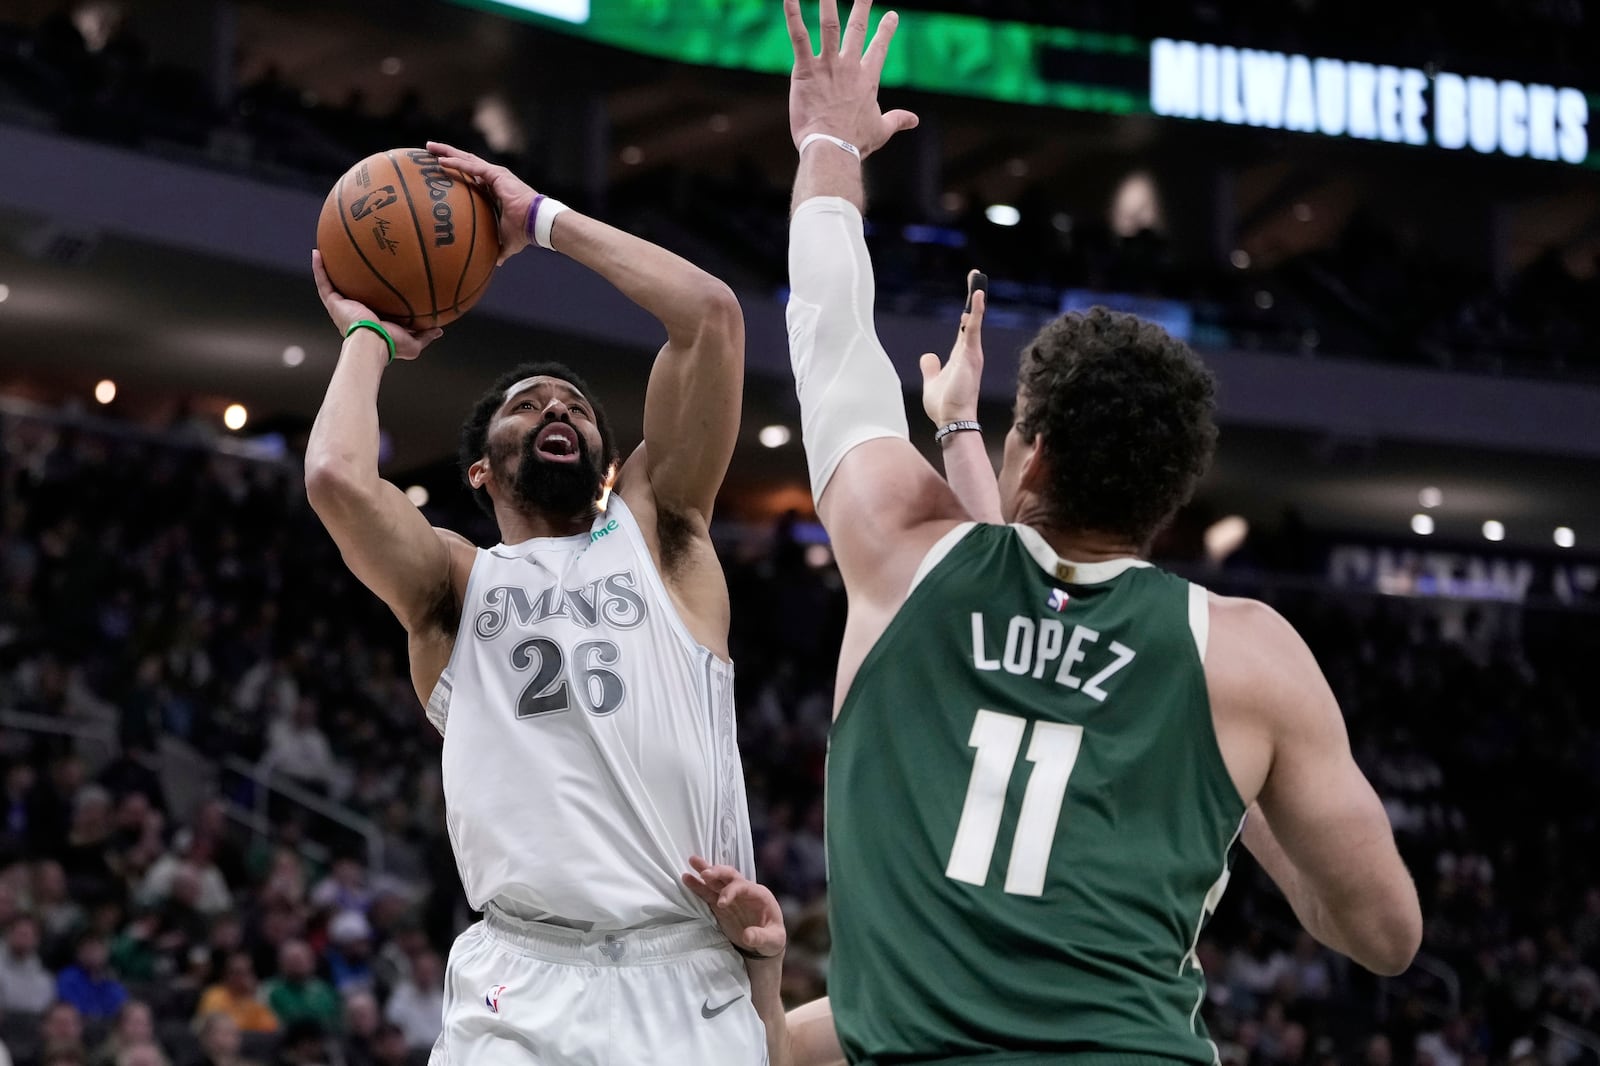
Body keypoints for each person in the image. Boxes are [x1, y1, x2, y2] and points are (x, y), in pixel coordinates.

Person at [774, 1, 1423, 1062]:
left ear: (1029, 456)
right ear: (1171, 497)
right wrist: (1235, 787)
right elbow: (1386, 934)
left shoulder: (903, 549)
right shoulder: (1251, 657)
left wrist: (831, 147)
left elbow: (830, 330)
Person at [305, 140, 785, 1064]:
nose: (557, 410)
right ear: (480, 467)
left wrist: (539, 222)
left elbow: (711, 318)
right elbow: (333, 473)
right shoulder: (453, 585)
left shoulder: (662, 535)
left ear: (607, 460)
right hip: (518, 982)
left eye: (574, 406)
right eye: (528, 406)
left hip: (685, 973)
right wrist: (369, 336)